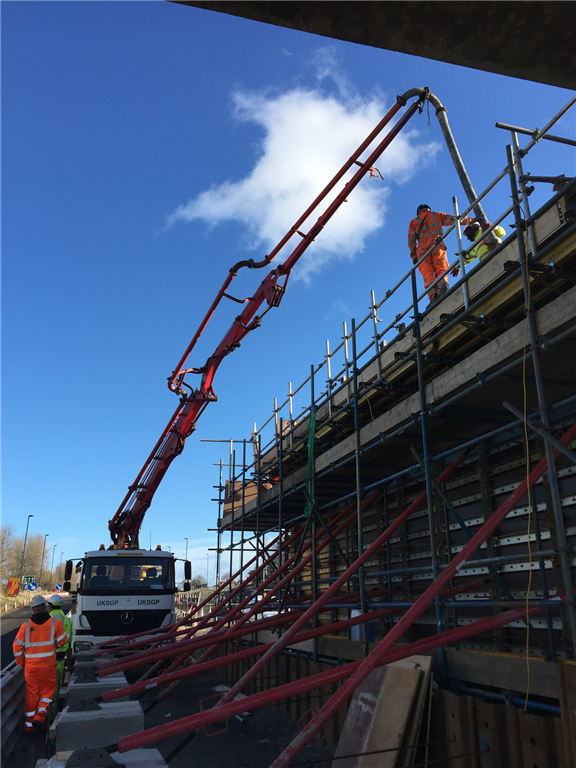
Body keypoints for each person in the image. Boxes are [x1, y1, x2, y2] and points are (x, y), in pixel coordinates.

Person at [12, 594, 68, 735]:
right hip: (48, 666)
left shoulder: (26, 626)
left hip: (31, 667)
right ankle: (40, 716)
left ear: (33, 610)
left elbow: (17, 647)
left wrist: (21, 662)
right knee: (47, 692)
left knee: (32, 695)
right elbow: (62, 641)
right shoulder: (55, 624)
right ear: (45, 607)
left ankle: (29, 727)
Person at [408, 204, 474, 302]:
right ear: (429, 209)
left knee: (427, 272)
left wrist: (414, 256)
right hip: (437, 244)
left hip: (422, 250)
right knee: (441, 267)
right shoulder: (437, 215)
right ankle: (443, 289)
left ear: (418, 212)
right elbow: (454, 219)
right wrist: (472, 220)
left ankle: (433, 297)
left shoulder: (414, 222)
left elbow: (411, 241)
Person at [47, 594, 73, 694]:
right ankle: (54, 706)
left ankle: (48, 706)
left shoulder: (48, 619)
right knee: (57, 683)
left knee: (48, 684)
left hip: (50, 656)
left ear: (50, 606)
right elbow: (70, 637)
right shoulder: (66, 619)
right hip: (61, 656)